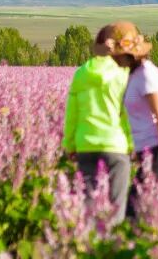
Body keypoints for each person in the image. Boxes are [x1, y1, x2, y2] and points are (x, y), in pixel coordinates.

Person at [62, 22, 149, 224]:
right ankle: (111, 246)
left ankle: (89, 248)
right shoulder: (122, 75)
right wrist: (131, 144)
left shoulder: (81, 74)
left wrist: (70, 145)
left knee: (88, 205)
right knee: (116, 205)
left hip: (85, 146)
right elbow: (126, 114)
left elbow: (72, 115)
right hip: (115, 147)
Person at [124, 33, 158, 218]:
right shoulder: (131, 75)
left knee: (140, 205)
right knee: (148, 201)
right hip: (145, 148)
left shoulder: (147, 74)